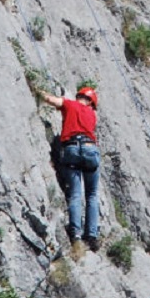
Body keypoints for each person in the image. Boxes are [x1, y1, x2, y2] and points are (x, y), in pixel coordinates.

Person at [39, 86, 101, 253]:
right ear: (91, 102)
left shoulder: (70, 104)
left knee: (75, 194)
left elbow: (51, 100)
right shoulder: (91, 114)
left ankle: (76, 235)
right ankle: (92, 236)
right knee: (92, 195)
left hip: (72, 148)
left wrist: (39, 91)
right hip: (89, 148)